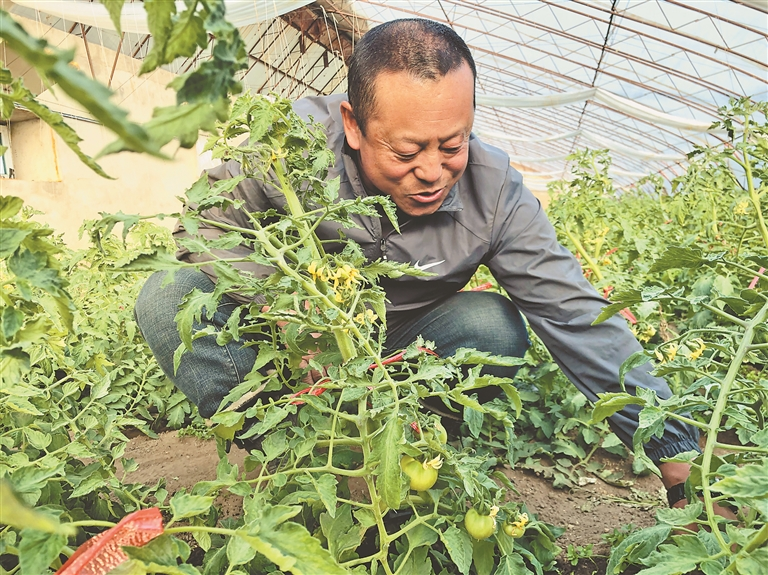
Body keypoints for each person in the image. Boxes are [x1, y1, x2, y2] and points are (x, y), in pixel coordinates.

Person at [135, 18, 701, 508]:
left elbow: (572, 311)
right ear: (353, 124)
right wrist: (287, 309)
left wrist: (671, 446)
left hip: (400, 346)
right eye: (406, 152)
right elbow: (206, 222)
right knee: (168, 294)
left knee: (493, 326)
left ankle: (411, 444)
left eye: (452, 145)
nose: (432, 171)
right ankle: (285, 448)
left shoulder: (494, 191)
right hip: (288, 350)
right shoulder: (288, 142)